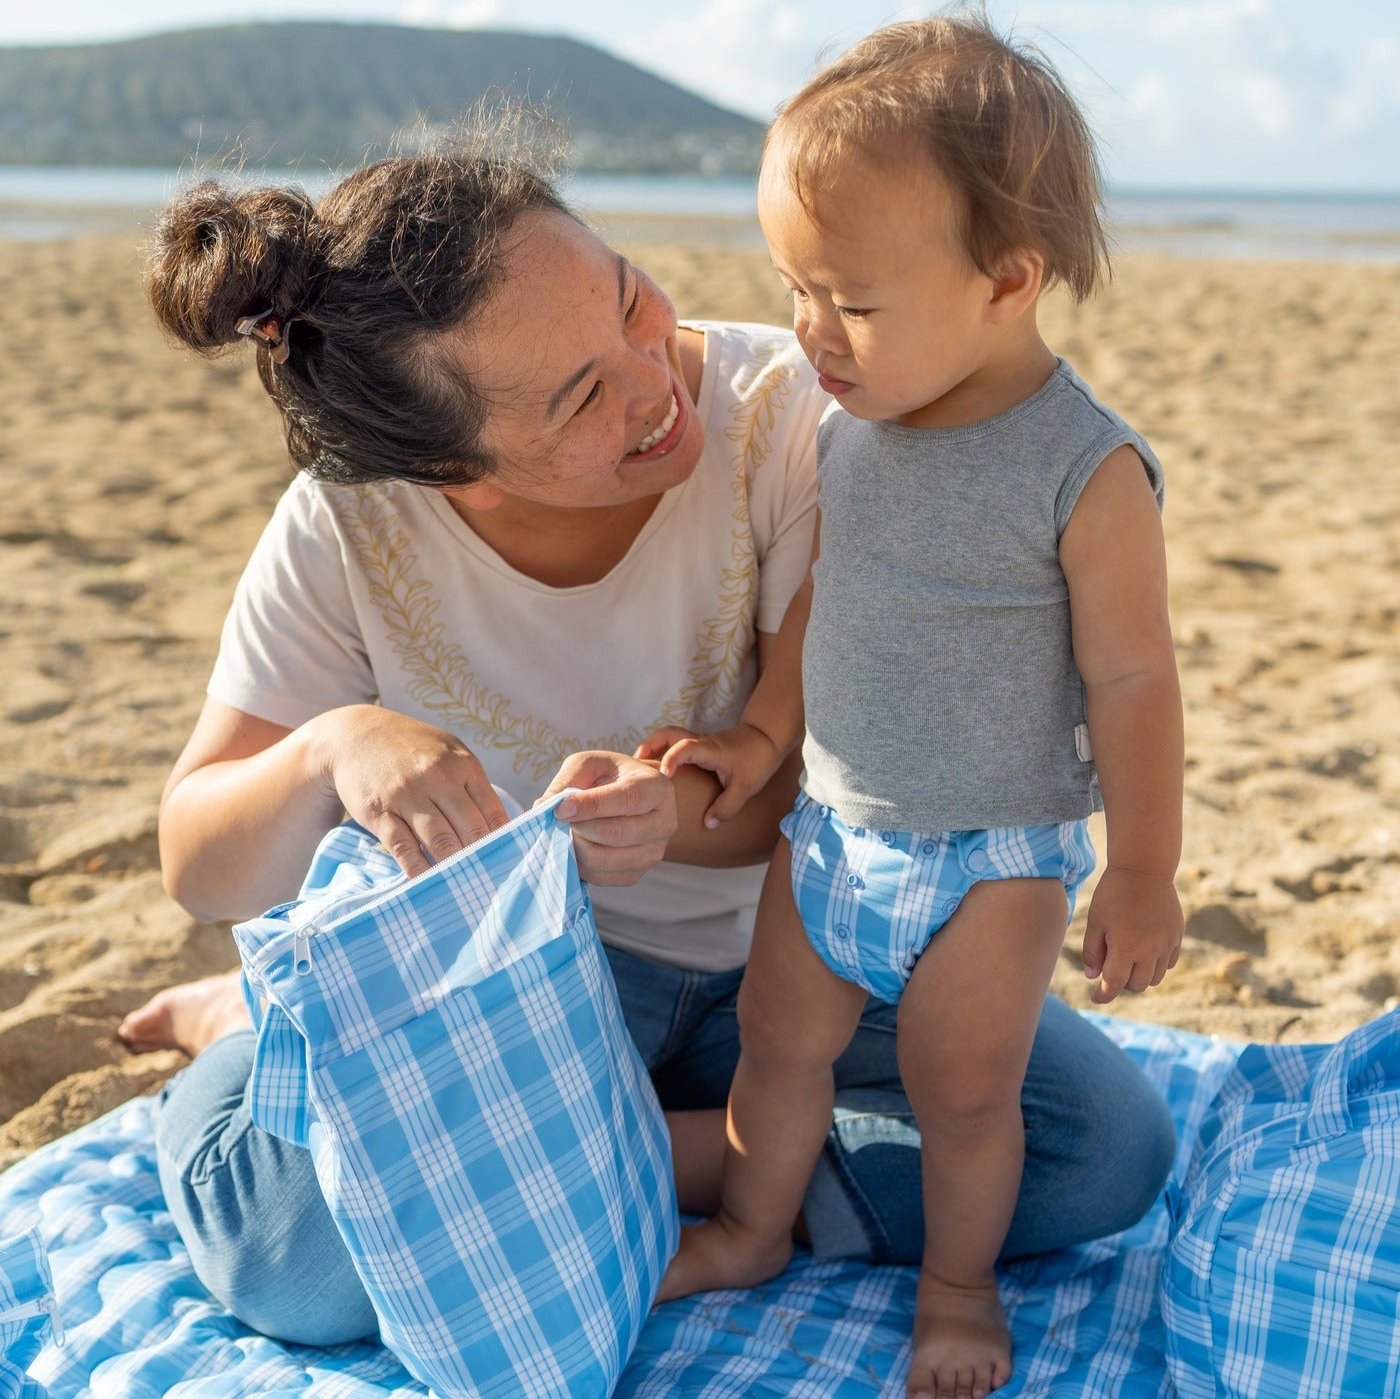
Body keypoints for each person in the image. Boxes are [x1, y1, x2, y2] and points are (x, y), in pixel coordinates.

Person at [120, 121, 1176, 1355]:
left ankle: (608, 1151)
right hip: (520, 988)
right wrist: (331, 748)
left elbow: (840, 778)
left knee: (1098, 1149)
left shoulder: (796, 413)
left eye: (627, 299)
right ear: (456, 473)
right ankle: (693, 1147)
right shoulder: (350, 525)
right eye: (581, 397)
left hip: (795, 955)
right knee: (289, 1251)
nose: (654, 380)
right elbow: (201, 863)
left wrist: (667, 819)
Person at [643, 18, 1185, 1399]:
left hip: (989, 861)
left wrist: (1143, 866)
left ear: (1009, 279)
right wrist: (765, 734)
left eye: (853, 302)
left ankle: (955, 1285)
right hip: (830, 827)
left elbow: (1135, 679)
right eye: (792, 288)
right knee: (780, 1047)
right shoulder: (854, 421)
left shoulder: (1083, 468)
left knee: (963, 1095)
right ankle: (756, 1226)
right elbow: (835, 597)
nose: (811, 331)